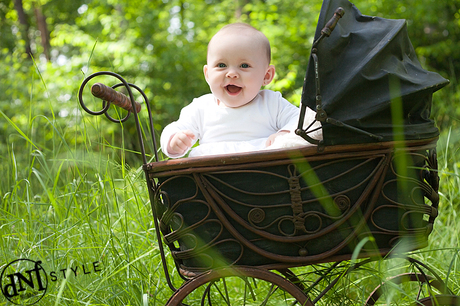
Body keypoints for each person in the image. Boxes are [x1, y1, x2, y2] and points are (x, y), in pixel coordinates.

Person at [160, 23, 320, 158]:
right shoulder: (201, 108)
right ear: (207, 74)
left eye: (244, 65)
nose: (231, 73)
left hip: (263, 172)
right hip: (211, 175)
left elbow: (303, 120)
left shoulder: (271, 103)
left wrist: (284, 134)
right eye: (221, 65)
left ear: (267, 75)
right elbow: (177, 127)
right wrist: (174, 141)